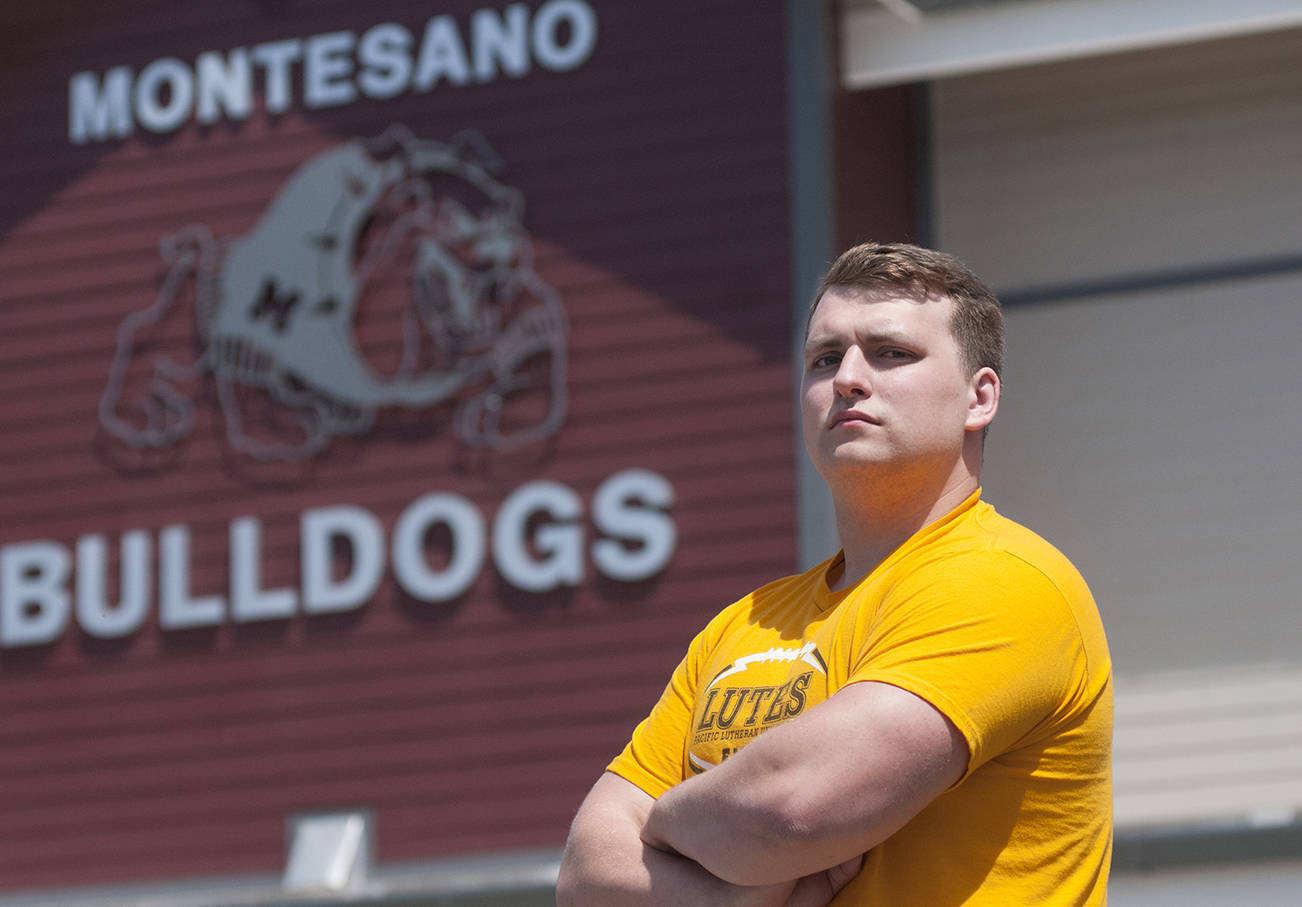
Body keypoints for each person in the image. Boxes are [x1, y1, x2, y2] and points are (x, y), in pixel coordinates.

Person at [555, 242, 1112, 906]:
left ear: (979, 397)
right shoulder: (743, 623)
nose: (848, 376)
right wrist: (727, 901)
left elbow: (794, 809)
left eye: (890, 353)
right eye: (825, 358)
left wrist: (663, 822)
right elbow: (585, 871)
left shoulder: (1008, 582)